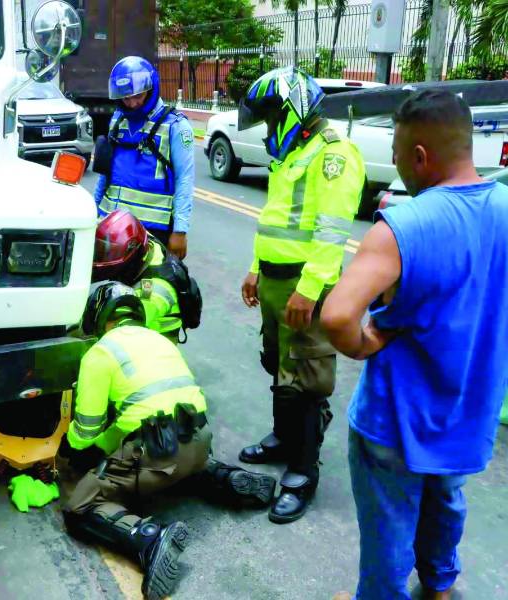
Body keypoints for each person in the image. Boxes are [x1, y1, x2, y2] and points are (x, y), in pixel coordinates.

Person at [321, 90, 508, 600]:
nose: (400, 167)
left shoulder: (404, 227)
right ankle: (440, 589)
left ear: (420, 156)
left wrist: (362, 345)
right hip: (469, 412)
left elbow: (338, 315)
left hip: (396, 422)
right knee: (446, 500)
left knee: (389, 531)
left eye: (400, 156)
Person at [60, 282, 276, 600]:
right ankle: (227, 479)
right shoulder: (161, 341)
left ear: (95, 316)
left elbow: (86, 433)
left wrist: (70, 453)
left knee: (79, 505)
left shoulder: (100, 353)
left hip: (155, 453)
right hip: (199, 440)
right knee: (179, 465)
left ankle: (148, 539)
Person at [237, 66, 365, 523]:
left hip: (303, 285)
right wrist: (255, 269)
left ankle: (303, 470)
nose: (270, 126)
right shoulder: (291, 152)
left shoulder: (333, 154)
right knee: (277, 363)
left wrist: (309, 290)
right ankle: (282, 437)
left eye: (273, 116)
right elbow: (274, 217)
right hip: (273, 280)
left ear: (294, 108)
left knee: (306, 378)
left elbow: (332, 234)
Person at [92, 56, 195, 259]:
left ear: (151, 88)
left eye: (137, 96)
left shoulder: (175, 126)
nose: (131, 103)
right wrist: (92, 210)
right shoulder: (117, 120)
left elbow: (185, 179)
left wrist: (180, 230)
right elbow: (105, 174)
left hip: (152, 231)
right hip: (111, 225)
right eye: (125, 98)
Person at [92, 209, 200, 343]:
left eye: (107, 253)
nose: (101, 257)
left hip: (157, 341)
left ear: (130, 252)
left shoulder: (152, 292)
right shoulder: (144, 241)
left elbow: (123, 333)